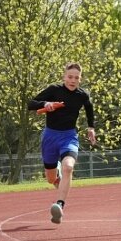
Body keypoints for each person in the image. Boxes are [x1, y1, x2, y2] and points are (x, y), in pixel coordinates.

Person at [28, 62, 96, 224]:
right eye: (70, 77)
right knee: (51, 179)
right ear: (64, 76)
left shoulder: (82, 95)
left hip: (69, 137)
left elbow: (89, 107)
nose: (73, 80)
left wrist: (91, 127)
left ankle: (59, 205)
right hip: (50, 137)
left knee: (69, 167)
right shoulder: (54, 90)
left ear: (80, 79)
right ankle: (56, 174)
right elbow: (30, 104)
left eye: (76, 78)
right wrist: (45, 104)